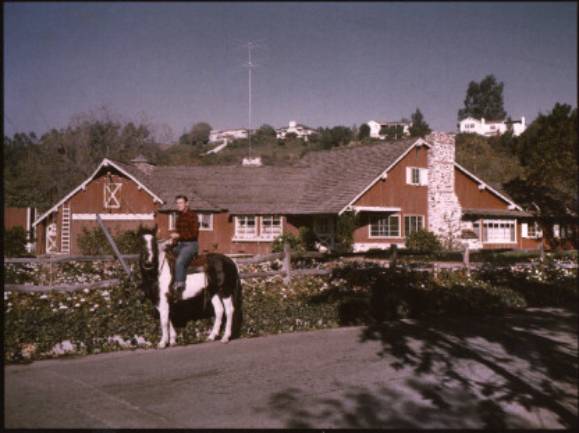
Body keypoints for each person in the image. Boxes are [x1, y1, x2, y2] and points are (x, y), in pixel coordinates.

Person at [169, 195, 199, 293]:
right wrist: (171, 241)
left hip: (191, 245)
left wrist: (178, 236)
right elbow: (178, 234)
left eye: (181, 203)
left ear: (187, 203)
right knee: (166, 256)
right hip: (180, 244)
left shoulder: (193, 216)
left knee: (180, 261)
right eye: (177, 203)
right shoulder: (179, 217)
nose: (179, 205)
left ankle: (180, 285)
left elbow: (193, 234)